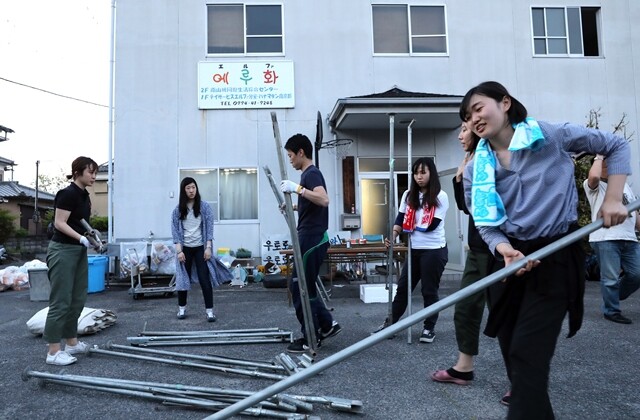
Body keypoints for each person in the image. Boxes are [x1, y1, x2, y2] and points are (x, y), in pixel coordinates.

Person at [460, 81, 630, 419]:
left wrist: (612, 198)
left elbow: (616, 145)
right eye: (468, 116)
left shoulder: (550, 135)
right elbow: (487, 225)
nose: (474, 118)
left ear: (504, 102)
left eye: (479, 108)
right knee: (514, 354)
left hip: (555, 255)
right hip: (510, 263)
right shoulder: (475, 170)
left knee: (527, 353)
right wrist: (505, 249)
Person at [432, 122, 494, 385]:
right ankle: (464, 367)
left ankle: (523, 381)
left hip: (499, 250)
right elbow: (468, 208)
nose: (459, 135)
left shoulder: (493, 158)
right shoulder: (471, 160)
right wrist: (459, 179)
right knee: (466, 307)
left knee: (507, 314)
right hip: (478, 248)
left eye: (465, 129)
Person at [373, 157, 449, 343]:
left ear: (431, 173)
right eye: (416, 173)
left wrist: (408, 224)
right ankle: (390, 325)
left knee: (429, 291)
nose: (419, 177)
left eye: (423, 172)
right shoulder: (408, 195)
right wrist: (393, 235)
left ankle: (428, 328)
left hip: (434, 250)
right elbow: (400, 219)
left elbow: (431, 225)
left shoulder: (440, 195)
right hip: (414, 249)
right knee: (403, 289)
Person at [280, 133, 341, 353]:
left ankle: (310, 337)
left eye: (290, 155)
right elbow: (311, 205)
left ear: (301, 153)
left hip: (312, 238)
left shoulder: (311, 174)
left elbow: (323, 200)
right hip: (311, 236)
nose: (290, 160)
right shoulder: (309, 175)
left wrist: (296, 189)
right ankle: (326, 325)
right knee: (306, 286)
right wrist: (294, 206)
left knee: (300, 288)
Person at [43, 156, 98, 366]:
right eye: (90, 172)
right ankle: (53, 351)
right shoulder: (67, 194)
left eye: (95, 172)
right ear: (77, 172)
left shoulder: (84, 195)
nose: (93, 176)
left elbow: (80, 223)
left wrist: (91, 237)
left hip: (77, 250)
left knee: (77, 298)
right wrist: (81, 237)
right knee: (61, 300)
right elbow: (59, 223)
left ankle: (72, 343)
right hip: (62, 250)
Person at [584, 155, 640, 324]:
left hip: (629, 238)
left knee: (637, 274)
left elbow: (635, 215)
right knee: (610, 278)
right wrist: (599, 157)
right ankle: (611, 310)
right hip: (605, 237)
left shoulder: (624, 188)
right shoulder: (594, 185)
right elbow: (593, 176)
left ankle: (614, 296)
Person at [171, 177, 232, 321]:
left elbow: (209, 229)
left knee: (205, 279)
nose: (191, 190)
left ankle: (209, 311)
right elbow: (175, 232)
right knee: (182, 280)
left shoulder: (204, 207)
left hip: (200, 248)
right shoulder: (178, 210)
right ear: (183, 190)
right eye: (188, 188)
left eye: (193, 187)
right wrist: (179, 251)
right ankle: (181, 309)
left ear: (196, 189)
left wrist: (208, 248)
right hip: (185, 248)